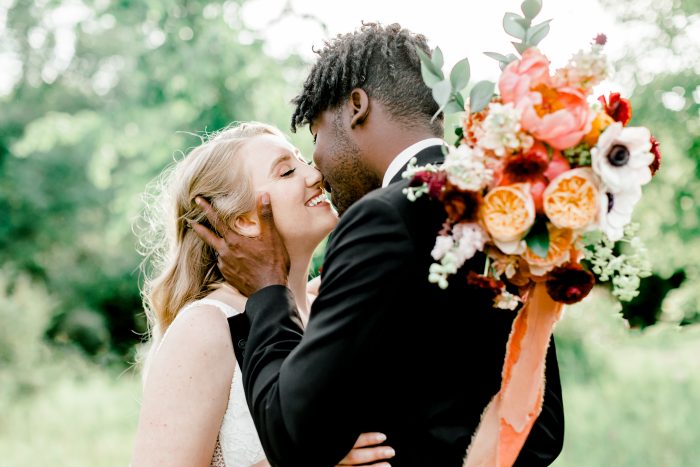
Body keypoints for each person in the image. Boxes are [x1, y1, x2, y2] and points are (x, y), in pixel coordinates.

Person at [192, 23, 565, 467]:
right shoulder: (504, 208)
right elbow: (541, 431)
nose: (317, 168)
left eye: (316, 136)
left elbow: (295, 438)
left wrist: (268, 290)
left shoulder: (382, 217)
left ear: (356, 107)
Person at [130, 122, 396, 467]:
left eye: (303, 161)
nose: (315, 174)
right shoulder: (206, 326)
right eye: (287, 172)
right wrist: (310, 457)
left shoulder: (329, 309)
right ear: (243, 221)